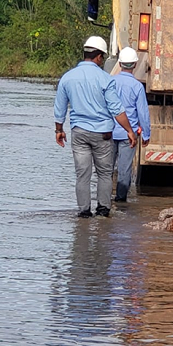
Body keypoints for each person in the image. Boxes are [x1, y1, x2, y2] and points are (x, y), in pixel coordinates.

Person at [54, 36, 137, 218]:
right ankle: (103, 211)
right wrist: (130, 131)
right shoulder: (106, 79)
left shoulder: (67, 78)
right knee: (105, 173)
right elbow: (117, 110)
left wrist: (59, 130)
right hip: (103, 134)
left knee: (82, 174)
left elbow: (59, 109)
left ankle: (84, 213)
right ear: (99, 57)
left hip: (79, 133)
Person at [112, 47, 151, 202]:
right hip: (129, 136)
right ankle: (121, 200)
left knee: (105, 169)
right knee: (124, 170)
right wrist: (146, 134)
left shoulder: (110, 82)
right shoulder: (137, 87)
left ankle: (103, 201)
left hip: (108, 132)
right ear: (135, 65)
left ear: (120, 63)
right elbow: (143, 113)